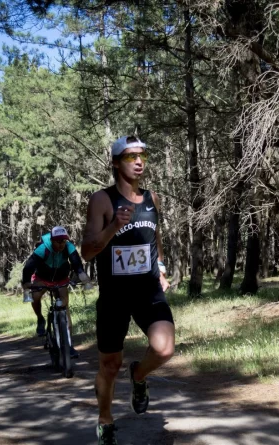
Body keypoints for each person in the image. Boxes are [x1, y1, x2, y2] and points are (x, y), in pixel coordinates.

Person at [81, 135, 174, 445]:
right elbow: (87, 251)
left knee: (164, 349)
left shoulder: (152, 198)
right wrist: (113, 228)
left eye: (142, 156)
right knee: (109, 364)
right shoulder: (102, 200)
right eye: (130, 157)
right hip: (114, 296)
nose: (138, 162)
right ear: (115, 163)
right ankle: (105, 420)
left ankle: (139, 375)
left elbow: (154, 236)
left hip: (148, 289)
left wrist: (160, 268)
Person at [21, 225, 88, 359]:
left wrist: (82, 275)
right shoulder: (43, 249)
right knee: (35, 297)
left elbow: (76, 263)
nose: (61, 244)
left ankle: (69, 345)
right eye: (58, 241)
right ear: (52, 240)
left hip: (61, 279)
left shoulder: (68, 247)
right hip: (42, 278)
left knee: (65, 306)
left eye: (63, 241)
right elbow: (28, 267)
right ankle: (40, 318)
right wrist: (26, 283)